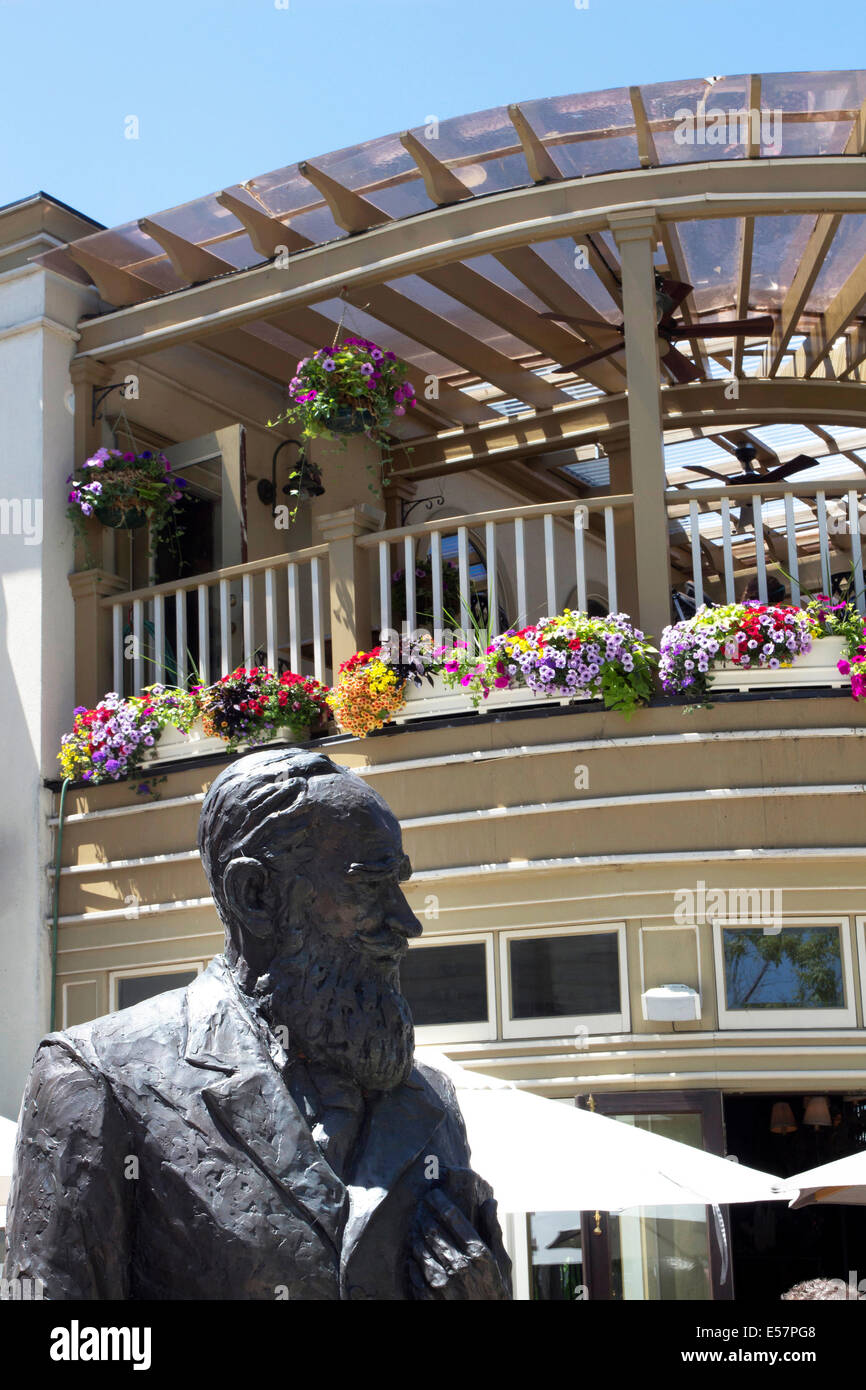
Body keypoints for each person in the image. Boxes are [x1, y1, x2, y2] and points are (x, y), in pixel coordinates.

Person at [3, 748, 511, 1300]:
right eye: (369, 886)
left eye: (401, 884)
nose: (407, 923)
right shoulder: (98, 1077)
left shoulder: (430, 1103)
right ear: (257, 896)